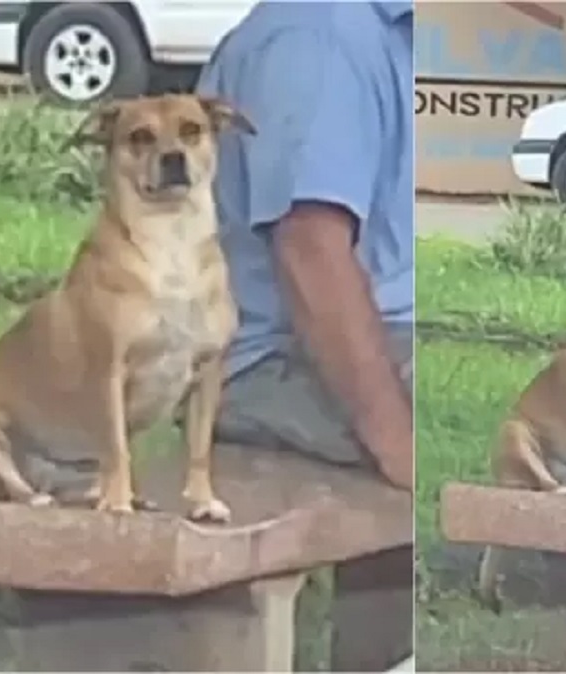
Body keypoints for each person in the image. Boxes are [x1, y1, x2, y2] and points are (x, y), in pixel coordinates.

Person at [194, 1, 414, 670]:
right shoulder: (321, 35)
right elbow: (310, 254)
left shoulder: (386, 30)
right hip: (267, 365)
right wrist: (405, 445)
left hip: (352, 337)